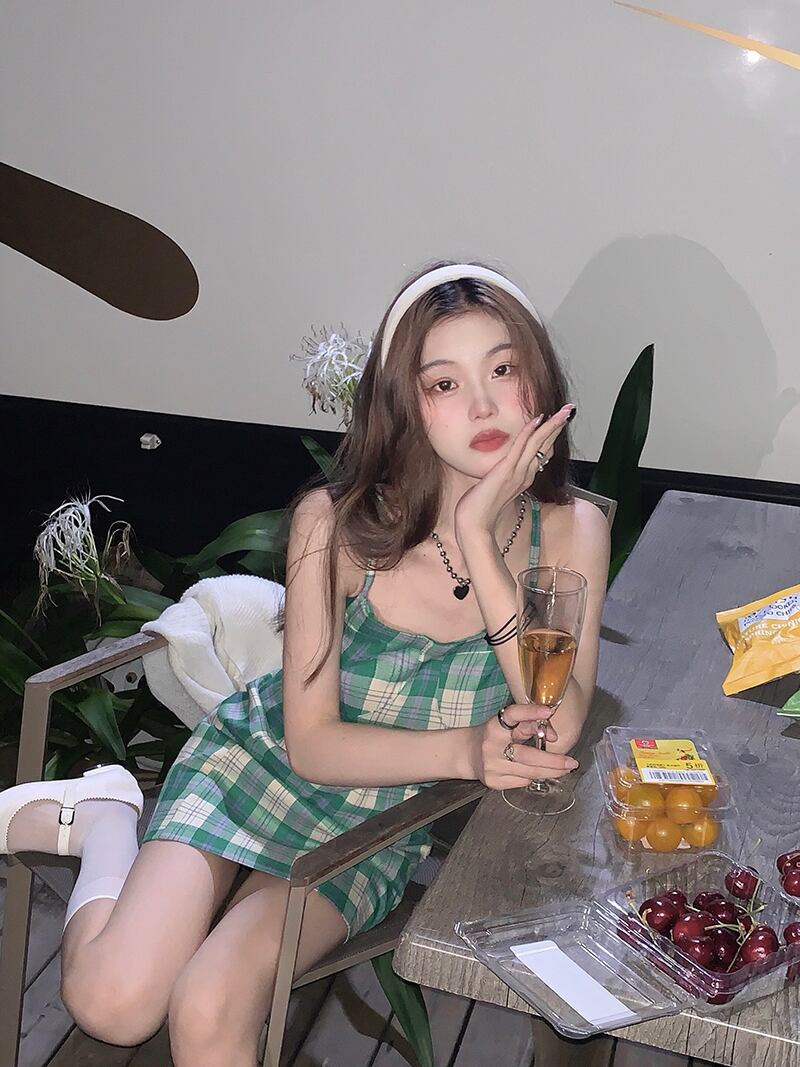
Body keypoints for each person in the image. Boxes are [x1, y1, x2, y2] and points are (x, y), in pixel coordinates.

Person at [0, 260, 610, 1066]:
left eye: (503, 369)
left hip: (372, 821)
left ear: (539, 380)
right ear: (405, 402)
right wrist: (469, 749)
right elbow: (313, 744)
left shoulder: (570, 532)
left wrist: (477, 539)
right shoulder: (338, 522)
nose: (484, 405)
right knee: (112, 1004)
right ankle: (110, 820)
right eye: (444, 383)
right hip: (261, 763)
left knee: (209, 1005)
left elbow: (554, 727)